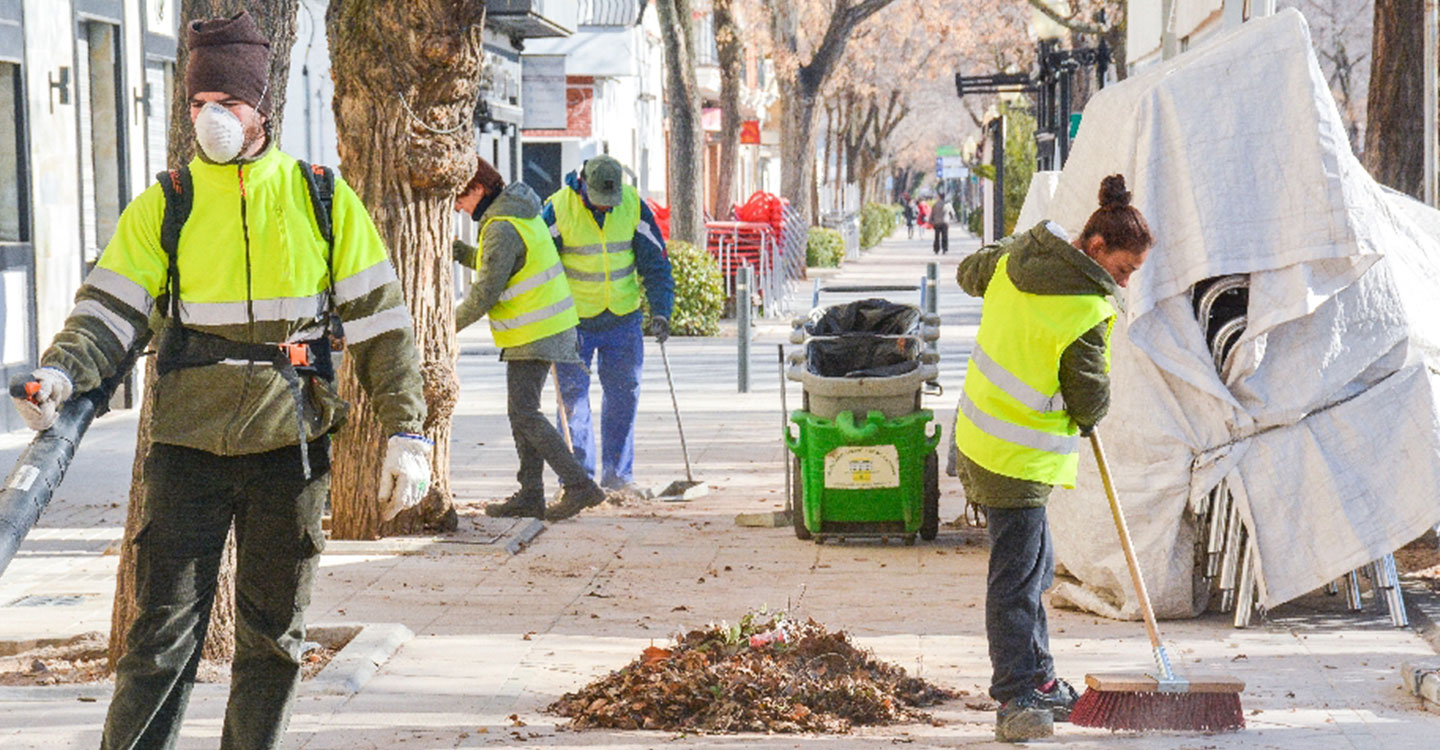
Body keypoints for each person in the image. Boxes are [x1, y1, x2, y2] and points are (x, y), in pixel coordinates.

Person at [8, 12, 431, 749]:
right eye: (198, 103)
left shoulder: (321, 199)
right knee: (159, 642)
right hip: (187, 446)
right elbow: (106, 311)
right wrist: (60, 374)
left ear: (260, 107)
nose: (212, 119)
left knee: (273, 641)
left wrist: (407, 430)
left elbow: (381, 326)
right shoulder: (166, 203)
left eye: (227, 104)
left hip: (288, 444)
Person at [952, 174, 1153, 743]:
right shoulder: (1085, 311)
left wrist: (1004, 255)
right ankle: (1016, 698)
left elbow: (971, 272)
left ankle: (1038, 679)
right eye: (1123, 268)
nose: (1125, 281)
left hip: (976, 439)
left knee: (1035, 565)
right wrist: (1090, 402)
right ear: (1094, 248)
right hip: (1018, 459)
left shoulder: (1019, 256)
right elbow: (1091, 399)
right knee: (1016, 579)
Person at [451, 156, 606, 521]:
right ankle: (531, 494)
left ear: (478, 188)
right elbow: (504, 265)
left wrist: (443, 328)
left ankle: (579, 485)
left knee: (525, 413)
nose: (458, 206)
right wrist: (462, 254)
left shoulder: (501, 226)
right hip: (543, 327)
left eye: (460, 197)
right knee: (521, 412)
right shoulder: (518, 213)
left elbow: (486, 292)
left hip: (536, 330)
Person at [544, 155, 674, 503]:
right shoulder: (558, 209)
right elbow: (539, 266)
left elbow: (655, 262)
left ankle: (619, 477)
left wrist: (661, 311)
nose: (605, 209)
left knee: (624, 396)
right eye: (599, 202)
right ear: (583, 184)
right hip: (572, 322)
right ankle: (578, 482)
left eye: (609, 203)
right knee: (572, 402)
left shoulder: (632, 205)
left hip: (623, 318)